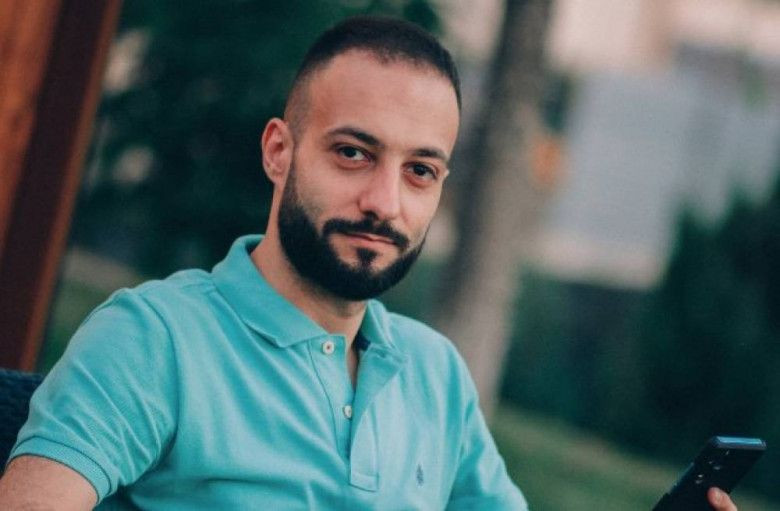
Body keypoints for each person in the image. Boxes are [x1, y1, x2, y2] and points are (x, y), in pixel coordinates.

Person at [0, 15, 739, 511]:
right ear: (279, 151)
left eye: (420, 171)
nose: (385, 202)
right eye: (353, 153)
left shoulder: (435, 374)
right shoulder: (155, 336)